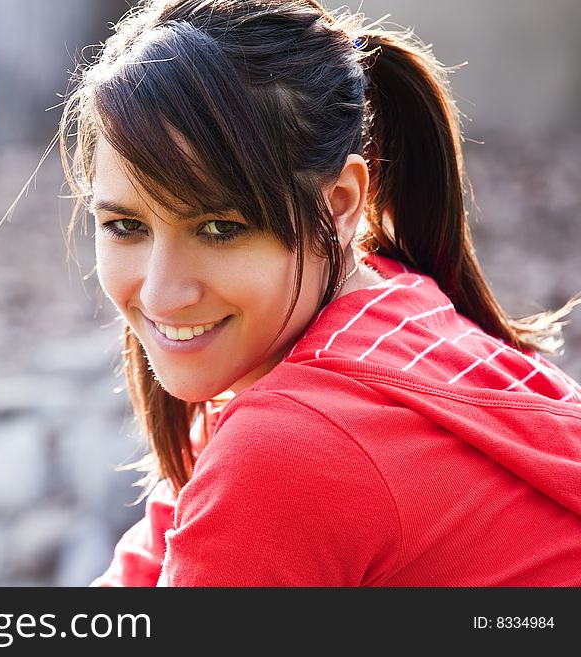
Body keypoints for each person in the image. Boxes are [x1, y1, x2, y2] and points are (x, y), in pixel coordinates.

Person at [55, 0, 581, 585]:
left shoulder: (287, 452)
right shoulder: (397, 306)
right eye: (126, 226)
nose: (162, 294)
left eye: (221, 228)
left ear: (340, 206)